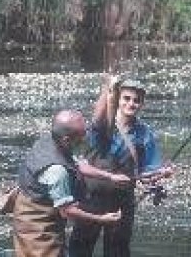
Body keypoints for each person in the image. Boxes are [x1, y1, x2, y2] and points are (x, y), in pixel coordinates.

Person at [69, 76, 173, 257]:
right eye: (126, 98)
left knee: (118, 252)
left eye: (136, 100)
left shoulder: (145, 134)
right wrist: (108, 87)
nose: (131, 104)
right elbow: (98, 117)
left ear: (142, 104)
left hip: (122, 201)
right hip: (90, 198)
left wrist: (160, 175)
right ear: (117, 99)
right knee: (80, 250)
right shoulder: (100, 126)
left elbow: (147, 172)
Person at [13, 109, 131, 257]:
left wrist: (110, 177)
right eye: (81, 135)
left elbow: (78, 165)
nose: (86, 138)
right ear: (66, 139)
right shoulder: (57, 172)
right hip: (37, 225)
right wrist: (101, 219)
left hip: (28, 209)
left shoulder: (50, 140)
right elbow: (67, 211)